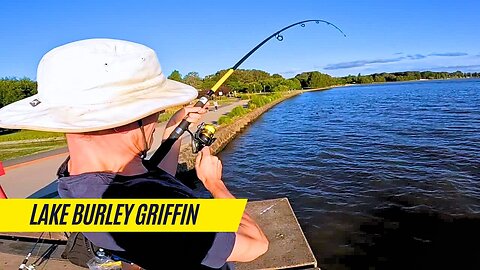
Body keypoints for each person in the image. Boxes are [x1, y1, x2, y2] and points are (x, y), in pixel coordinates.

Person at [0, 39, 268, 269]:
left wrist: (174, 129)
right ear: (122, 119)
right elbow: (255, 245)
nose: (157, 117)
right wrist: (215, 184)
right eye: (153, 112)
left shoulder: (75, 177)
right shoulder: (156, 220)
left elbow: (150, 183)